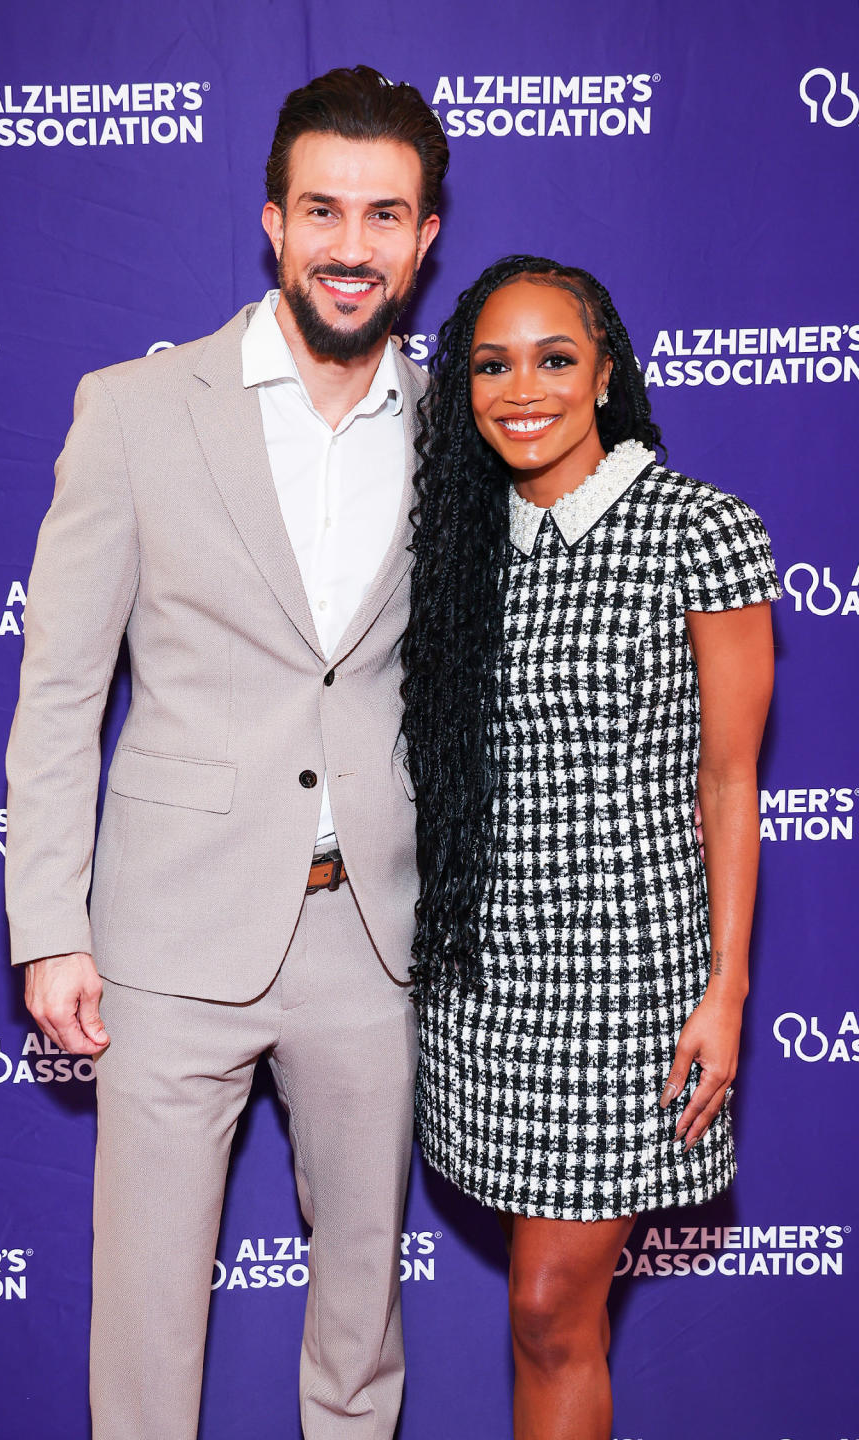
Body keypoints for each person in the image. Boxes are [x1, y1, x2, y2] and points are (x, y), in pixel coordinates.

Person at [5, 66, 445, 1440]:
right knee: (143, 1325)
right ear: (272, 221)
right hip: (166, 931)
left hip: (372, 934)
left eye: (384, 216)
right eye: (324, 210)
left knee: (361, 1323)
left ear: (426, 239)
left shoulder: (458, 435)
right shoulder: (135, 410)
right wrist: (46, 927)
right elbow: (61, 687)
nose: (350, 246)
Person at [400, 255, 779, 1440]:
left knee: (551, 1300)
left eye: (555, 358)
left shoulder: (700, 530)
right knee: (547, 1317)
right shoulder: (460, 545)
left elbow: (730, 777)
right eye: (493, 363)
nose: (524, 388)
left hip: (629, 986)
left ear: (605, 373)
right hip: (485, 981)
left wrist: (726, 988)